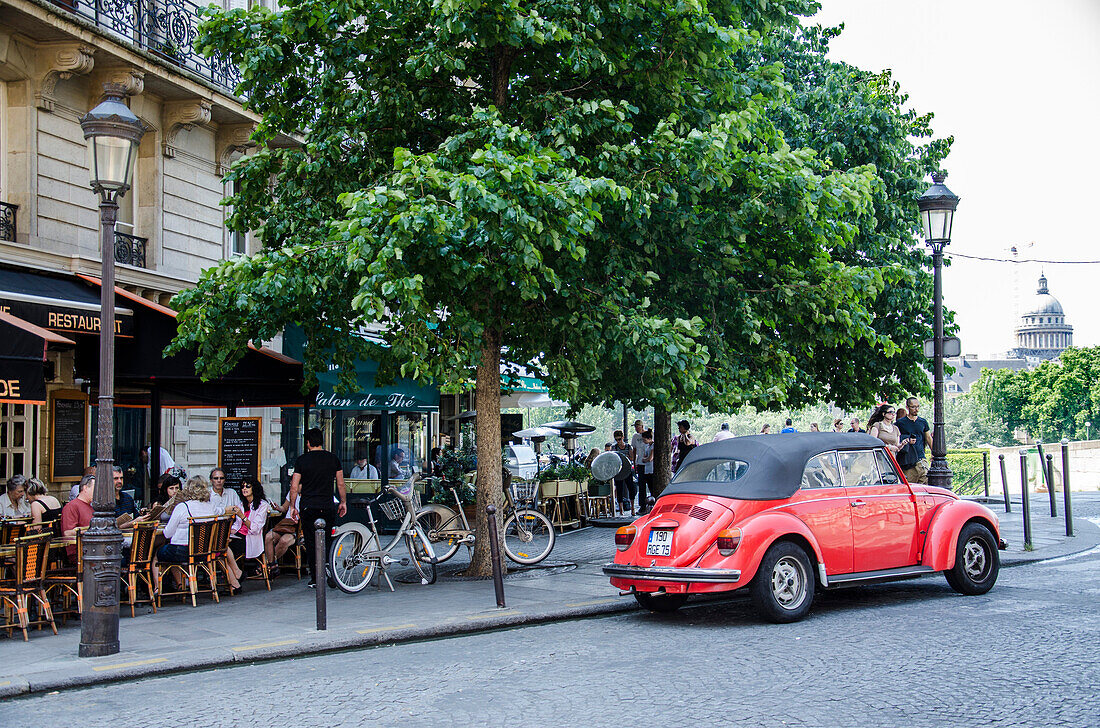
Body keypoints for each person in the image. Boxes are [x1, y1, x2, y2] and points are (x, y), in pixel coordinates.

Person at [288, 428, 347, 589]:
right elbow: (340, 483)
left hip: (308, 506)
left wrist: (293, 506)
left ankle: (315, 577)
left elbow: (294, 486)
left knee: (311, 541)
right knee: (327, 539)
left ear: (307, 443)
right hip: (326, 505)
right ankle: (330, 570)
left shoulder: (301, 460)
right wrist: (343, 502)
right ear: (322, 441)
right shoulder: (332, 459)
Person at [158, 478, 239, 591]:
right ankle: (185, 583)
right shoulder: (210, 506)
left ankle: (172, 587)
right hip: (204, 552)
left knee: (159, 554)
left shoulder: (182, 507)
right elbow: (221, 511)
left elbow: (167, 534)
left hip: (181, 551)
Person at [227, 476, 269, 576]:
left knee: (225, 548)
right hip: (239, 535)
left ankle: (235, 576)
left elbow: (254, 529)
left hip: (250, 539)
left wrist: (242, 516)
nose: (244, 488)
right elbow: (237, 525)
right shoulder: (241, 504)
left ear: (254, 488)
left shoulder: (262, 505)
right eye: (242, 487)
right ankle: (235, 575)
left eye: (247, 486)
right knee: (222, 543)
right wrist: (229, 532)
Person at [896, 396, 933, 484]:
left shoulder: (923, 422)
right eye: (913, 407)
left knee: (925, 483)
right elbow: (896, 439)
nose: (916, 409)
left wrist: (934, 453)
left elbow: (928, 437)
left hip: (921, 457)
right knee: (909, 485)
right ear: (907, 407)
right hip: (907, 460)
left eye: (918, 406)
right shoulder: (900, 423)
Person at [264, 493, 300, 575]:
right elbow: (284, 508)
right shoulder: (292, 492)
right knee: (269, 537)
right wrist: (278, 508)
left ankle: (267, 565)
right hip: (285, 524)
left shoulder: (307, 495)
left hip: (296, 527)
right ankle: (272, 566)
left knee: (284, 541)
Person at [61, 475, 95, 561]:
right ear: (85, 488)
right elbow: (67, 533)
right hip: (80, 552)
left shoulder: (91, 507)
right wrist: (88, 531)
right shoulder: (72, 506)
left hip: (92, 549)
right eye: (95, 489)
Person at [610, 430, 635, 516]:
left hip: (627, 470)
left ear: (623, 438)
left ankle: (632, 508)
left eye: (619, 439)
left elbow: (632, 458)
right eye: (616, 440)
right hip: (619, 472)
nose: (618, 441)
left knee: (631, 488)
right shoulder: (614, 448)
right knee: (619, 489)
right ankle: (621, 510)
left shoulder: (628, 447)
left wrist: (627, 457)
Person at [638, 430, 655, 515]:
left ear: (649, 438)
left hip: (651, 469)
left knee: (652, 488)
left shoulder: (653, 446)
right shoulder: (647, 446)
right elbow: (645, 456)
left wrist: (645, 459)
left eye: (645, 440)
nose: (644, 441)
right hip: (647, 469)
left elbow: (650, 458)